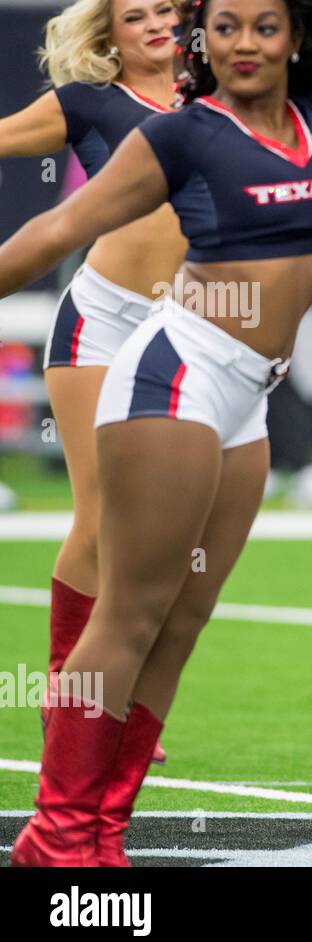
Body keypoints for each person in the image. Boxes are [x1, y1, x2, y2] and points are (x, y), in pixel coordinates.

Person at [0, 0, 312, 867]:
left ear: (295, 34)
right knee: (131, 611)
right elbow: (58, 230)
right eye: (225, 28)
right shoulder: (183, 134)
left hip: (251, 394)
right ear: (201, 40)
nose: (245, 44)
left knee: (183, 622)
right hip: (176, 372)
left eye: (264, 26)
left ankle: (101, 833)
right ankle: (56, 834)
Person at [0, 0, 184, 767]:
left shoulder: (225, 99)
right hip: (101, 323)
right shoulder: (89, 104)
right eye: (134, 14)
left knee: (167, 536)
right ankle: (68, 696)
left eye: (167, 8)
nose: (153, 23)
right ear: (108, 33)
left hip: (187, 335)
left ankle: (122, 695)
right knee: (102, 516)